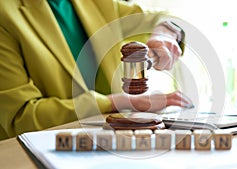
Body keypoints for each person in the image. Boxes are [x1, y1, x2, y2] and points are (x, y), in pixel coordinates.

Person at [0, 0, 191, 140]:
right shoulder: (5, 13)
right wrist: (118, 102)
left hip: (114, 140)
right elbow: (20, 117)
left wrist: (165, 32)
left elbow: (165, 18)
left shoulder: (96, 3)